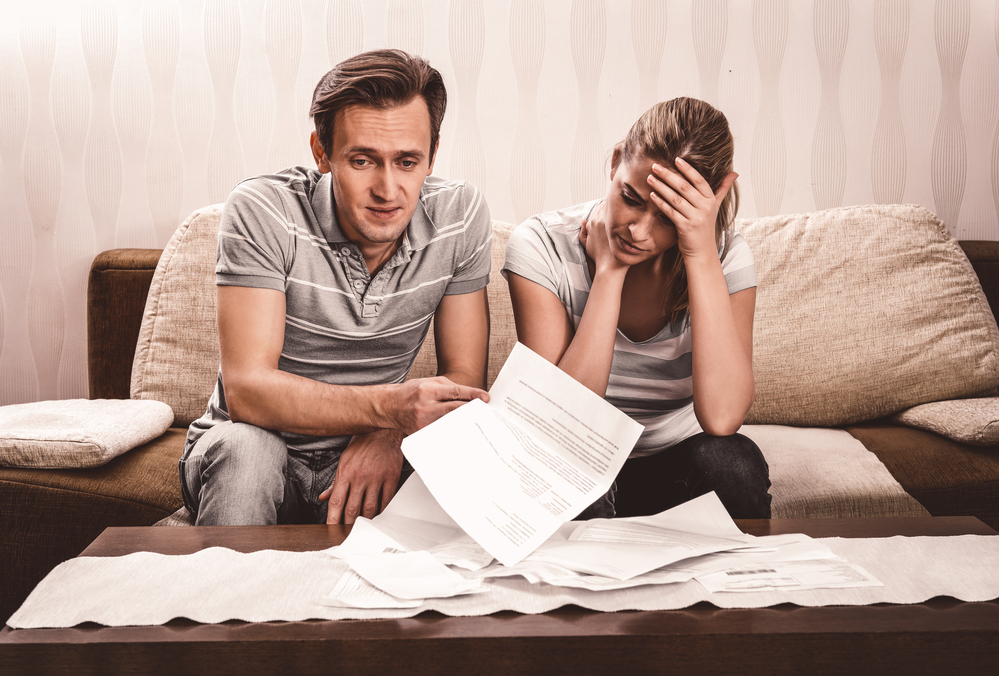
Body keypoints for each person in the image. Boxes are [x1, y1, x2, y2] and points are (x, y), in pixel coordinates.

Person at [180, 49, 492, 527]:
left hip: (379, 453)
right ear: (322, 153)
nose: (388, 190)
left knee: (482, 462)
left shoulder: (459, 216)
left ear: (432, 155)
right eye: (363, 160)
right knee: (247, 453)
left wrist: (390, 434)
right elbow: (248, 392)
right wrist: (389, 411)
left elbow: (463, 379)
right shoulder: (264, 210)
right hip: (256, 443)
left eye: (408, 161)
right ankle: (224, 602)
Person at [502, 97, 771, 519]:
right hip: (574, 458)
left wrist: (700, 254)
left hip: (672, 466)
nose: (638, 230)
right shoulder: (540, 245)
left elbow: (721, 418)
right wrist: (609, 271)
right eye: (630, 197)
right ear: (614, 165)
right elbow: (559, 419)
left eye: (669, 218)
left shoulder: (725, 257)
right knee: (576, 473)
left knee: (733, 462)